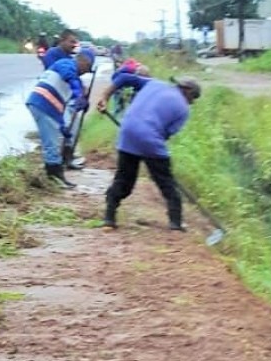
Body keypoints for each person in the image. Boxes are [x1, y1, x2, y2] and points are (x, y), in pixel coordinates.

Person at [96, 75, 202, 231]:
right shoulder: (183, 109)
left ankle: (109, 218)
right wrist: (151, 155)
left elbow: (124, 77)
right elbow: (166, 134)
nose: (191, 102)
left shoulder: (153, 83)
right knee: (166, 182)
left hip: (127, 132)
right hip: (150, 139)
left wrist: (104, 97)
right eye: (193, 98)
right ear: (187, 91)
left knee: (123, 180)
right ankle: (175, 223)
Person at [26, 45, 93, 188]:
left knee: (54, 139)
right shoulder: (67, 63)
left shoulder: (74, 75)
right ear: (84, 62)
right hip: (41, 103)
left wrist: (63, 126)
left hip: (48, 107)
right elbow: (69, 75)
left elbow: (62, 105)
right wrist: (77, 93)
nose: (84, 73)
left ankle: (56, 175)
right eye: (86, 69)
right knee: (51, 144)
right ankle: (55, 178)